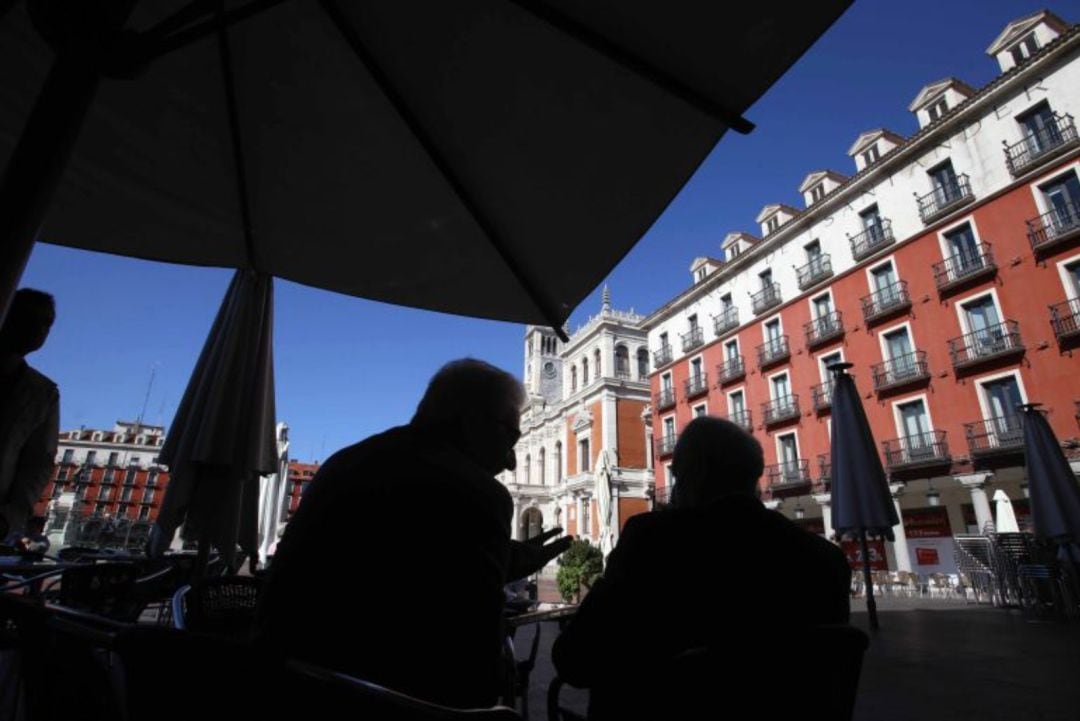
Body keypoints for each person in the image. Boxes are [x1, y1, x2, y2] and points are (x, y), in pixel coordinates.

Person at [254, 359, 569, 709]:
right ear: (472, 422)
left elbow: (407, 561)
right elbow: (476, 662)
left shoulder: (345, 462)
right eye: (510, 436)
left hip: (282, 686)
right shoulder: (477, 492)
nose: (511, 461)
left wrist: (506, 558)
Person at [552, 417, 851, 719]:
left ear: (695, 474)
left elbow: (574, 661)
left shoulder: (653, 542)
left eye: (677, 476)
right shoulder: (827, 559)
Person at [0, 289, 59, 542]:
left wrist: (9, 517)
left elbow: (40, 461)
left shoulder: (44, 393)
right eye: (31, 317)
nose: (40, 327)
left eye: (47, 322)